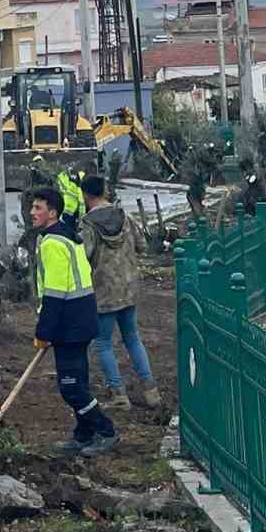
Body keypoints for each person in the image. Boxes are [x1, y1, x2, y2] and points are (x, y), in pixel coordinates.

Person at [30, 185, 117, 457]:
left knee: (71, 387)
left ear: (52, 212)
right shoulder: (68, 236)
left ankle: (105, 430)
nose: (32, 212)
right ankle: (83, 434)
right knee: (78, 381)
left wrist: (44, 330)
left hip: (69, 322)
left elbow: (55, 292)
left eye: (38, 208)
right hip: (81, 318)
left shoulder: (53, 243)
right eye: (32, 207)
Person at [79, 174, 161, 411]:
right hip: (128, 287)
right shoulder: (124, 216)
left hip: (103, 291)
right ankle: (151, 390)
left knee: (103, 343)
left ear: (85, 194)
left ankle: (118, 394)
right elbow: (142, 245)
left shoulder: (88, 223)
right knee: (132, 338)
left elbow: (84, 255)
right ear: (104, 191)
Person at [31, 154, 85, 237]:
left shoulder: (64, 179)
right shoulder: (75, 186)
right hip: (68, 212)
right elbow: (81, 205)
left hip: (65, 212)